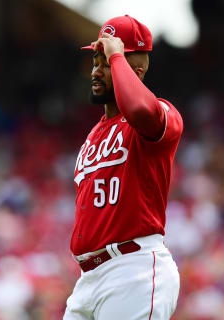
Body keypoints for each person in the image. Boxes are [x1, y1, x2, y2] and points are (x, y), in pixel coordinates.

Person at [63, 15, 183, 320]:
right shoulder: (94, 134)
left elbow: (140, 108)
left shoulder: (161, 113)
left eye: (106, 62)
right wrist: (114, 55)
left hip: (134, 269)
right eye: (96, 60)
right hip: (88, 279)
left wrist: (117, 55)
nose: (96, 70)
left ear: (136, 71)